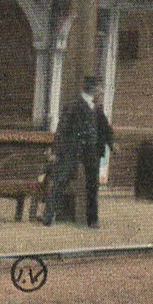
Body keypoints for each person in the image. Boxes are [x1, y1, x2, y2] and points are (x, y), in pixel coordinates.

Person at [43, 76, 114, 228]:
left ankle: (92, 219)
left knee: (93, 185)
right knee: (61, 179)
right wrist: (56, 150)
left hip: (91, 151)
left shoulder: (97, 108)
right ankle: (48, 216)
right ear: (93, 89)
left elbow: (105, 128)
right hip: (72, 149)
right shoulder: (74, 106)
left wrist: (112, 143)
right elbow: (62, 129)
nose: (101, 92)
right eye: (100, 89)